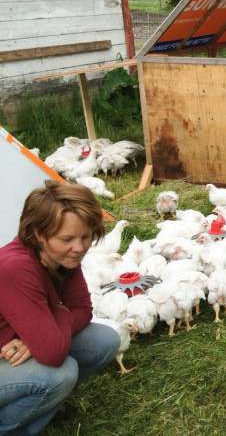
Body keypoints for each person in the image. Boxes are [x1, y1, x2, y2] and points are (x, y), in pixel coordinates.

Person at [0, 181, 121, 435]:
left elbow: (83, 310)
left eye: (85, 236)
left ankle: (43, 407)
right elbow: (52, 353)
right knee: (61, 374)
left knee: (105, 340)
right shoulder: (16, 267)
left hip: (11, 348)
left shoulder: (60, 256)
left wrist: (46, 328)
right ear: (37, 234)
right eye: (67, 238)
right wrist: (49, 328)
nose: (79, 247)